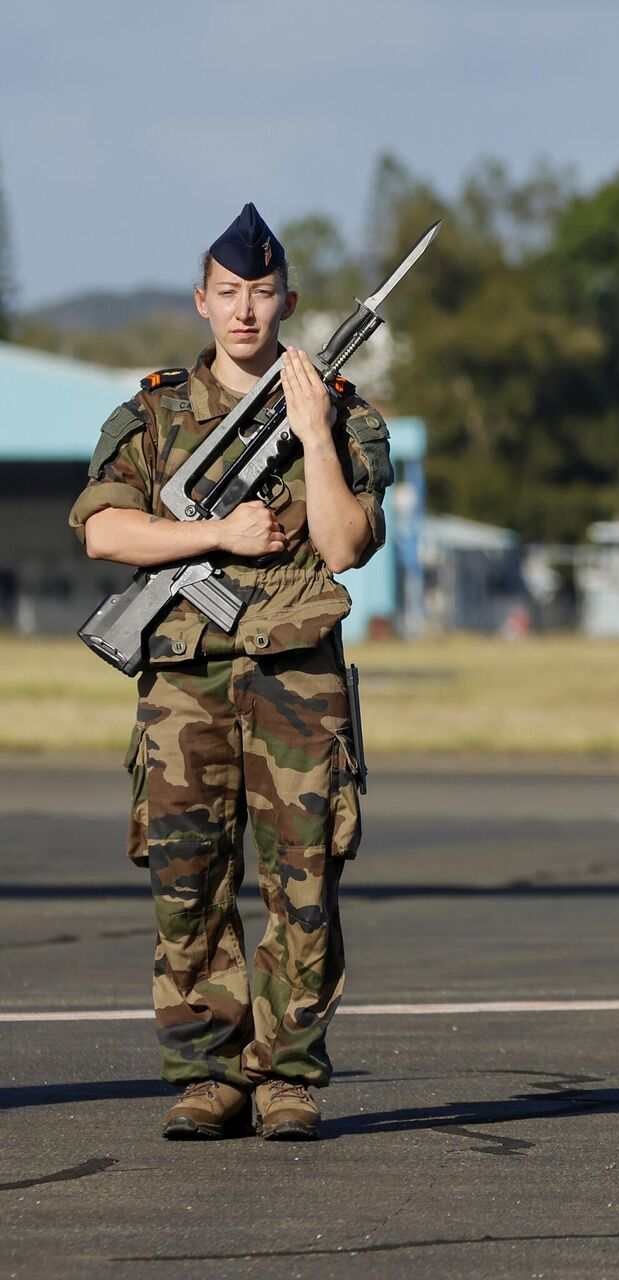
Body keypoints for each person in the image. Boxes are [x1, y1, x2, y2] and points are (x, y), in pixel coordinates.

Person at [69, 203, 389, 1141]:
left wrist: (315, 432)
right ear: (201, 302)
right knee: (187, 879)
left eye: (262, 293)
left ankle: (286, 1074)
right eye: (229, 294)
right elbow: (103, 529)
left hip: (298, 679)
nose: (246, 311)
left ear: (288, 300)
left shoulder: (341, 408)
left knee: (302, 880)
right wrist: (215, 532)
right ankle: (208, 1074)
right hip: (185, 685)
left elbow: (345, 545)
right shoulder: (154, 413)